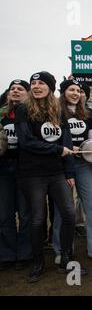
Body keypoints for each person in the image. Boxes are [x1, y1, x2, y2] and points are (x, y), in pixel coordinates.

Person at [14, 71, 87, 282]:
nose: (36, 86)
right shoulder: (23, 109)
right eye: (33, 83)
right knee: (38, 219)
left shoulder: (58, 110)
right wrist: (56, 151)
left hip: (56, 173)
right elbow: (26, 142)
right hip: (32, 174)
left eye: (41, 83)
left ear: (50, 87)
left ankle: (65, 258)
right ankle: (38, 262)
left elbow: (65, 141)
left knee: (69, 215)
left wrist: (70, 171)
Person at [52, 79, 92, 262]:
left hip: (84, 164)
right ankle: (61, 250)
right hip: (61, 165)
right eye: (71, 90)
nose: (75, 93)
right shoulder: (54, 112)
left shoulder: (89, 114)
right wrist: (67, 148)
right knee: (63, 208)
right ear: (63, 92)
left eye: (78, 90)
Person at [0, 79, 32, 270]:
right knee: (4, 215)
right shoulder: (1, 114)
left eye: (20, 89)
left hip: (25, 168)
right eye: (13, 89)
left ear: (27, 94)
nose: (16, 91)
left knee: (26, 213)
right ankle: (7, 254)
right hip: (3, 168)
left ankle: (25, 254)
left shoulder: (31, 114)